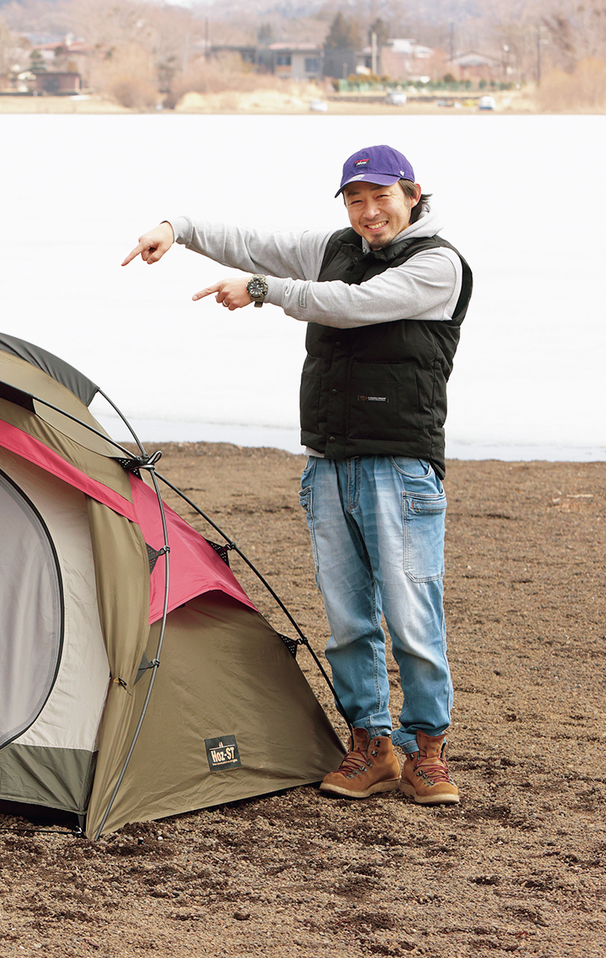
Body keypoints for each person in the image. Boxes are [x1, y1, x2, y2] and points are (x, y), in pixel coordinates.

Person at [121, 144, 472, 806]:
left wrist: (261, 291)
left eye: (381, 197)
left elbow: (348, 304)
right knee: (347, 621)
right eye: (355, 200)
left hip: (400, 466)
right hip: (329, 463)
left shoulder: (439, 266)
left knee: (411, 615)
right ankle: (372, 746)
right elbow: (254, 243)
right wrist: (180, 228)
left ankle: (428, 752)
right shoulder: (334, 246)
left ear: (413, 194)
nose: (369, 212)